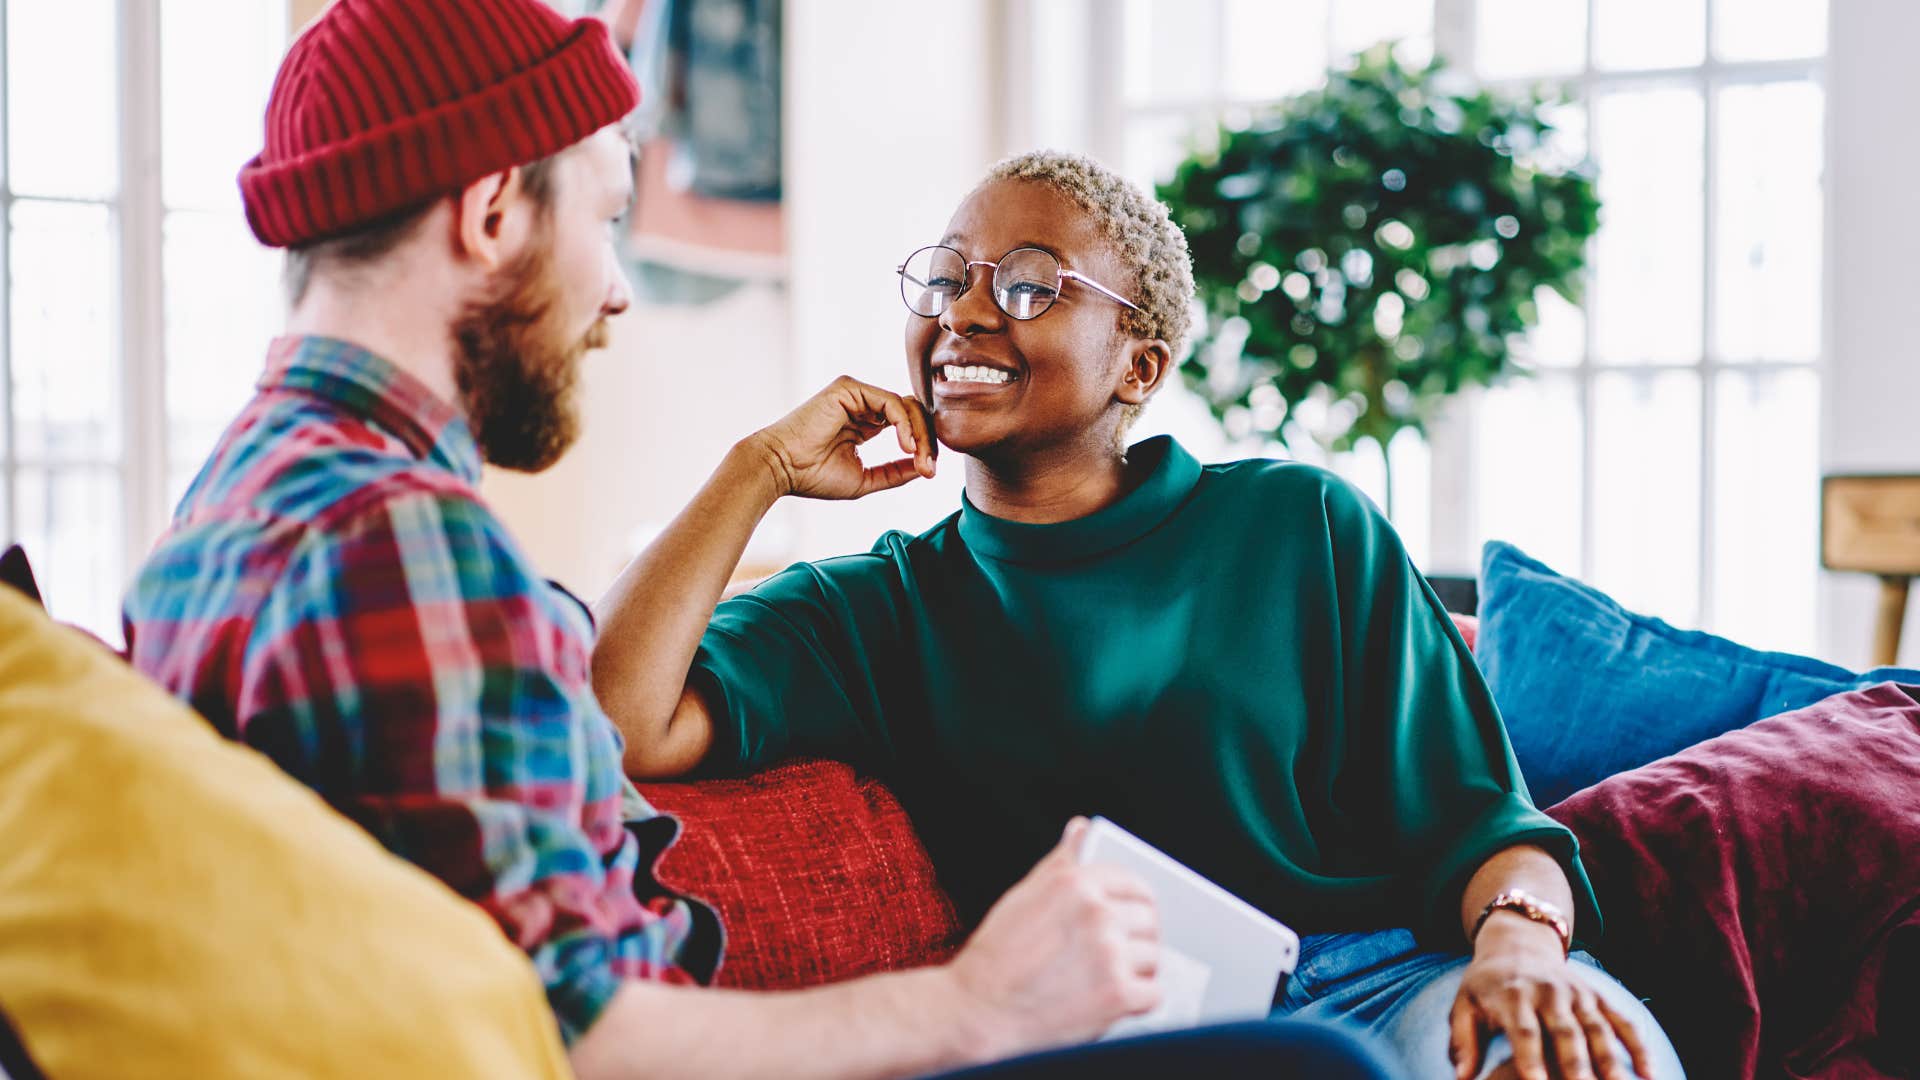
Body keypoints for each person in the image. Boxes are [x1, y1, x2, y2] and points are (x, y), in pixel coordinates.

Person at [123, 1, 1395, 1077]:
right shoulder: (411, 550)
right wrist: (978, 1003)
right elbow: (581, 1033)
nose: (617, 287)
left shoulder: (229, 507)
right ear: (495, 210)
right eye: (610, 217)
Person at [597, 149, 1689, 1080]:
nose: (965, 312)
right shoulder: (877, 607)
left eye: (1031, 285)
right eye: (946, 279)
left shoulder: (1299, 524)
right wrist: (759, 468)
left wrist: (1522, 951)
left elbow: (1491, 824)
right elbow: (619, 722)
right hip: (1136, 1031)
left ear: (1140, 363)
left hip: (1395, 977)